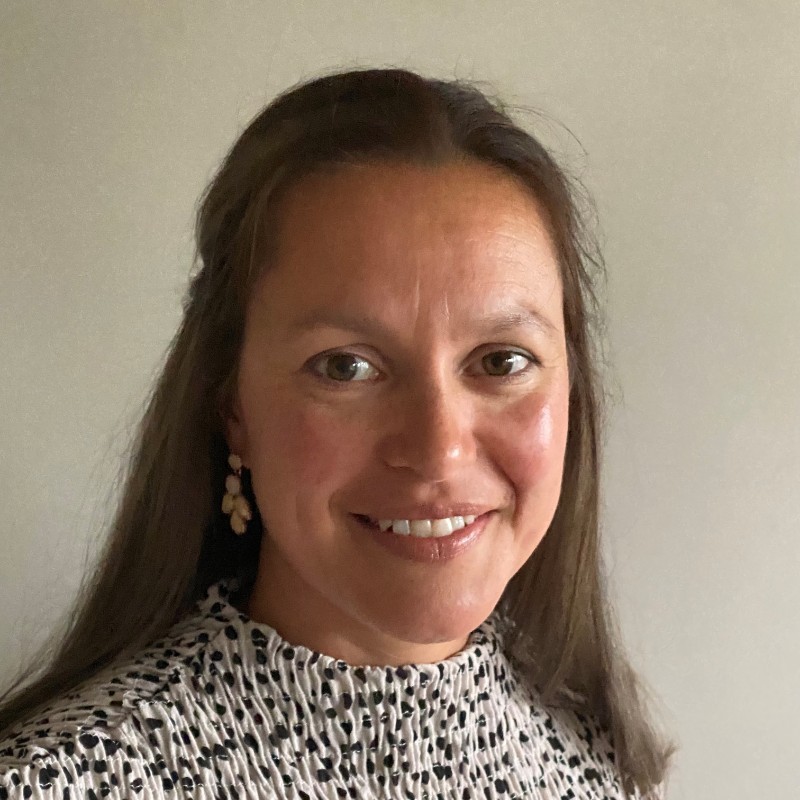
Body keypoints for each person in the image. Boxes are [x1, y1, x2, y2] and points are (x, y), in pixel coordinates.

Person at [0, 68, 675, 799]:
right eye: (346, 366)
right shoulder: (62, 783)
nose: (439, 447)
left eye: (501, 360)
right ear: (232, 405)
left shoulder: (595, 757)